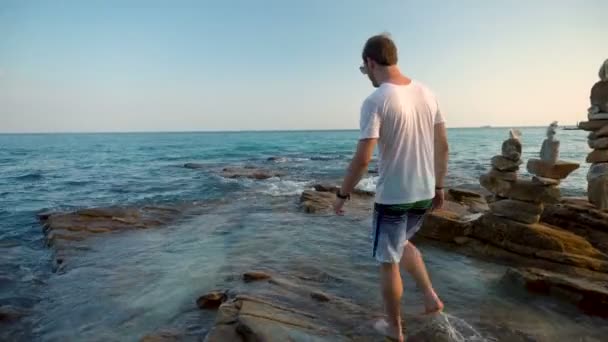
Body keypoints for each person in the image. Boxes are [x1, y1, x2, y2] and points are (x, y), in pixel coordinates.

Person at [333, 34, 448, 342]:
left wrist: (342, 195)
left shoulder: (376, 100)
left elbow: (362, 160)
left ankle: (394, 328)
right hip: (424, 193)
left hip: (396, 196)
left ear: (371, 62)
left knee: (387, 261)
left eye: (364, 69)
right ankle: (430, 298)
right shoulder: (428, 93)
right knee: (402, 244)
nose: (366, 75)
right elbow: (443, 146)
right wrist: (439, 186)